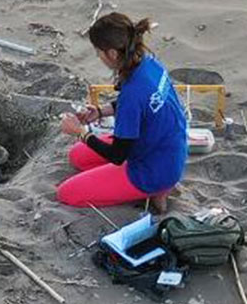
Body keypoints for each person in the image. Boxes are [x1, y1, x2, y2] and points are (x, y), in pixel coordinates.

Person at [56, 12, 188, 211]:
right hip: (168, 146)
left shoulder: (132, 95)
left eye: (99, 52)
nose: (98, 56)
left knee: (66, 193)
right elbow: (148, 103)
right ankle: (157, 187)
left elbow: (118, 155)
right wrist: (101, 111)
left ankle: (156, 190)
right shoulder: (148, 62)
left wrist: (80, 133)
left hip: (152, 169)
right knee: (78, 156)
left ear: (112, 53)